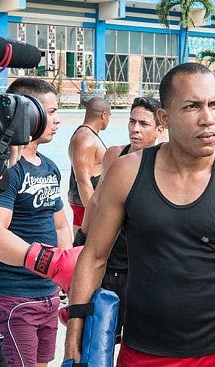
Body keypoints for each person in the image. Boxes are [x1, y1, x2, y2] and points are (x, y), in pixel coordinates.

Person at [64, 63, 215, 366]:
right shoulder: (127, 173)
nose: (208, 119)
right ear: (165, 118)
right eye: (192, 107)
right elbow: (94, 256)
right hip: (139, 352)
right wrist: (74, 338)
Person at [0, 77, 80, 367]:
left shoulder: (49, 167)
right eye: (50, 112)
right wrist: (47, 262)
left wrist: (68, 272)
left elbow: (61, 224)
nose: (58, 119)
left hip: (46, 296)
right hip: (12, 297)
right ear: (27, 114)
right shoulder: (7, 169)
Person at [73, 96, 164, 342]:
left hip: (143, 270)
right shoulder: (114, 155)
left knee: (138, 342)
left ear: (160, 128)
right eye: (132, 121)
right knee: (97, 340)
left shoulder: (166, 164)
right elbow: (96, 200)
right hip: (109, 263)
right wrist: (81, 239)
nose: (135, 129)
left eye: (144, 124)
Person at [67, 96, 111, 234]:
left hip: (84, 204)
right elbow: (83, 181)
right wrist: (95, 214)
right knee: (86, 249)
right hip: (86, 205)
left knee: (82, 249)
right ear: (104, 115)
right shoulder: (85, 139)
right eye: (109, 116)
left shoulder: (86, 136)